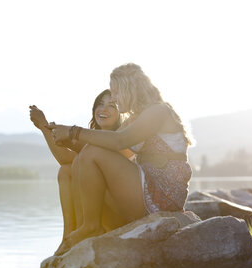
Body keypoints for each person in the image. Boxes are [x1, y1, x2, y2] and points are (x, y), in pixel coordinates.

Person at [49, 63, 193, 255]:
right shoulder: (136, 118)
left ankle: (91, 227)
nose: (115, 99)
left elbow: (119, 141)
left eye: (116, 92)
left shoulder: (158, 111)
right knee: (68, 171)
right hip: (142, 191)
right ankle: (74, 232)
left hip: (162, 195)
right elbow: (93, 155)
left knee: (93, 152)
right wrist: (61, 134)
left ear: (129, 88)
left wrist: (74, 131)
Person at [29, 89, 127, 252]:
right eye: (100, 104)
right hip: (102, 208)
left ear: (121, 113)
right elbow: (66, 161)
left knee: (71, 168)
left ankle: (85, 233)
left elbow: (68, 159)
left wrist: (44, 127)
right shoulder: (92, 137)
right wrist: (43, 126)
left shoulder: (122, 137)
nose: (104, 109)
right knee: (66, 172)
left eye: (112, 106)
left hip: (120, 210)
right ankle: (68, 235)